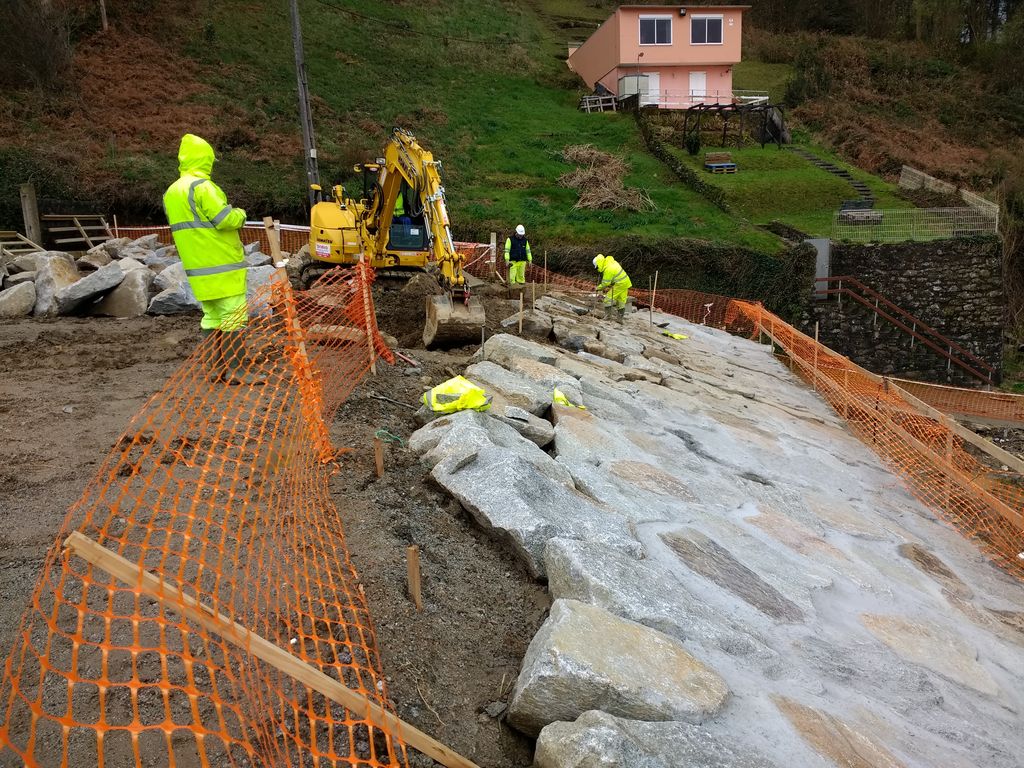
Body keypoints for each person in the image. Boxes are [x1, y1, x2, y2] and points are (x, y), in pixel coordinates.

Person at [163, 133, 258, 384]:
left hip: (198, 267)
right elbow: (224, 219)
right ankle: (237, 371)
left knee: (212, 316)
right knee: (235, 316)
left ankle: (215, 370)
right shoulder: (202, 187)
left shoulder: (172, 192)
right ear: (205, 159)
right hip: (223, 264)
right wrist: (240, 214)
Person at [593, 253, 632, 324]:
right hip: (625, 283)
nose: (597, 268)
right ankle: (620, 319)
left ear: (599, 263)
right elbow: (613, 277)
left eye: (597, 266)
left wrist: (598, 288)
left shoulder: (608, 269)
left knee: (608, 299)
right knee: (621, 301)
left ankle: (607, 317)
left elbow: (606, 283)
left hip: (620, 284)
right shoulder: (611, 262)